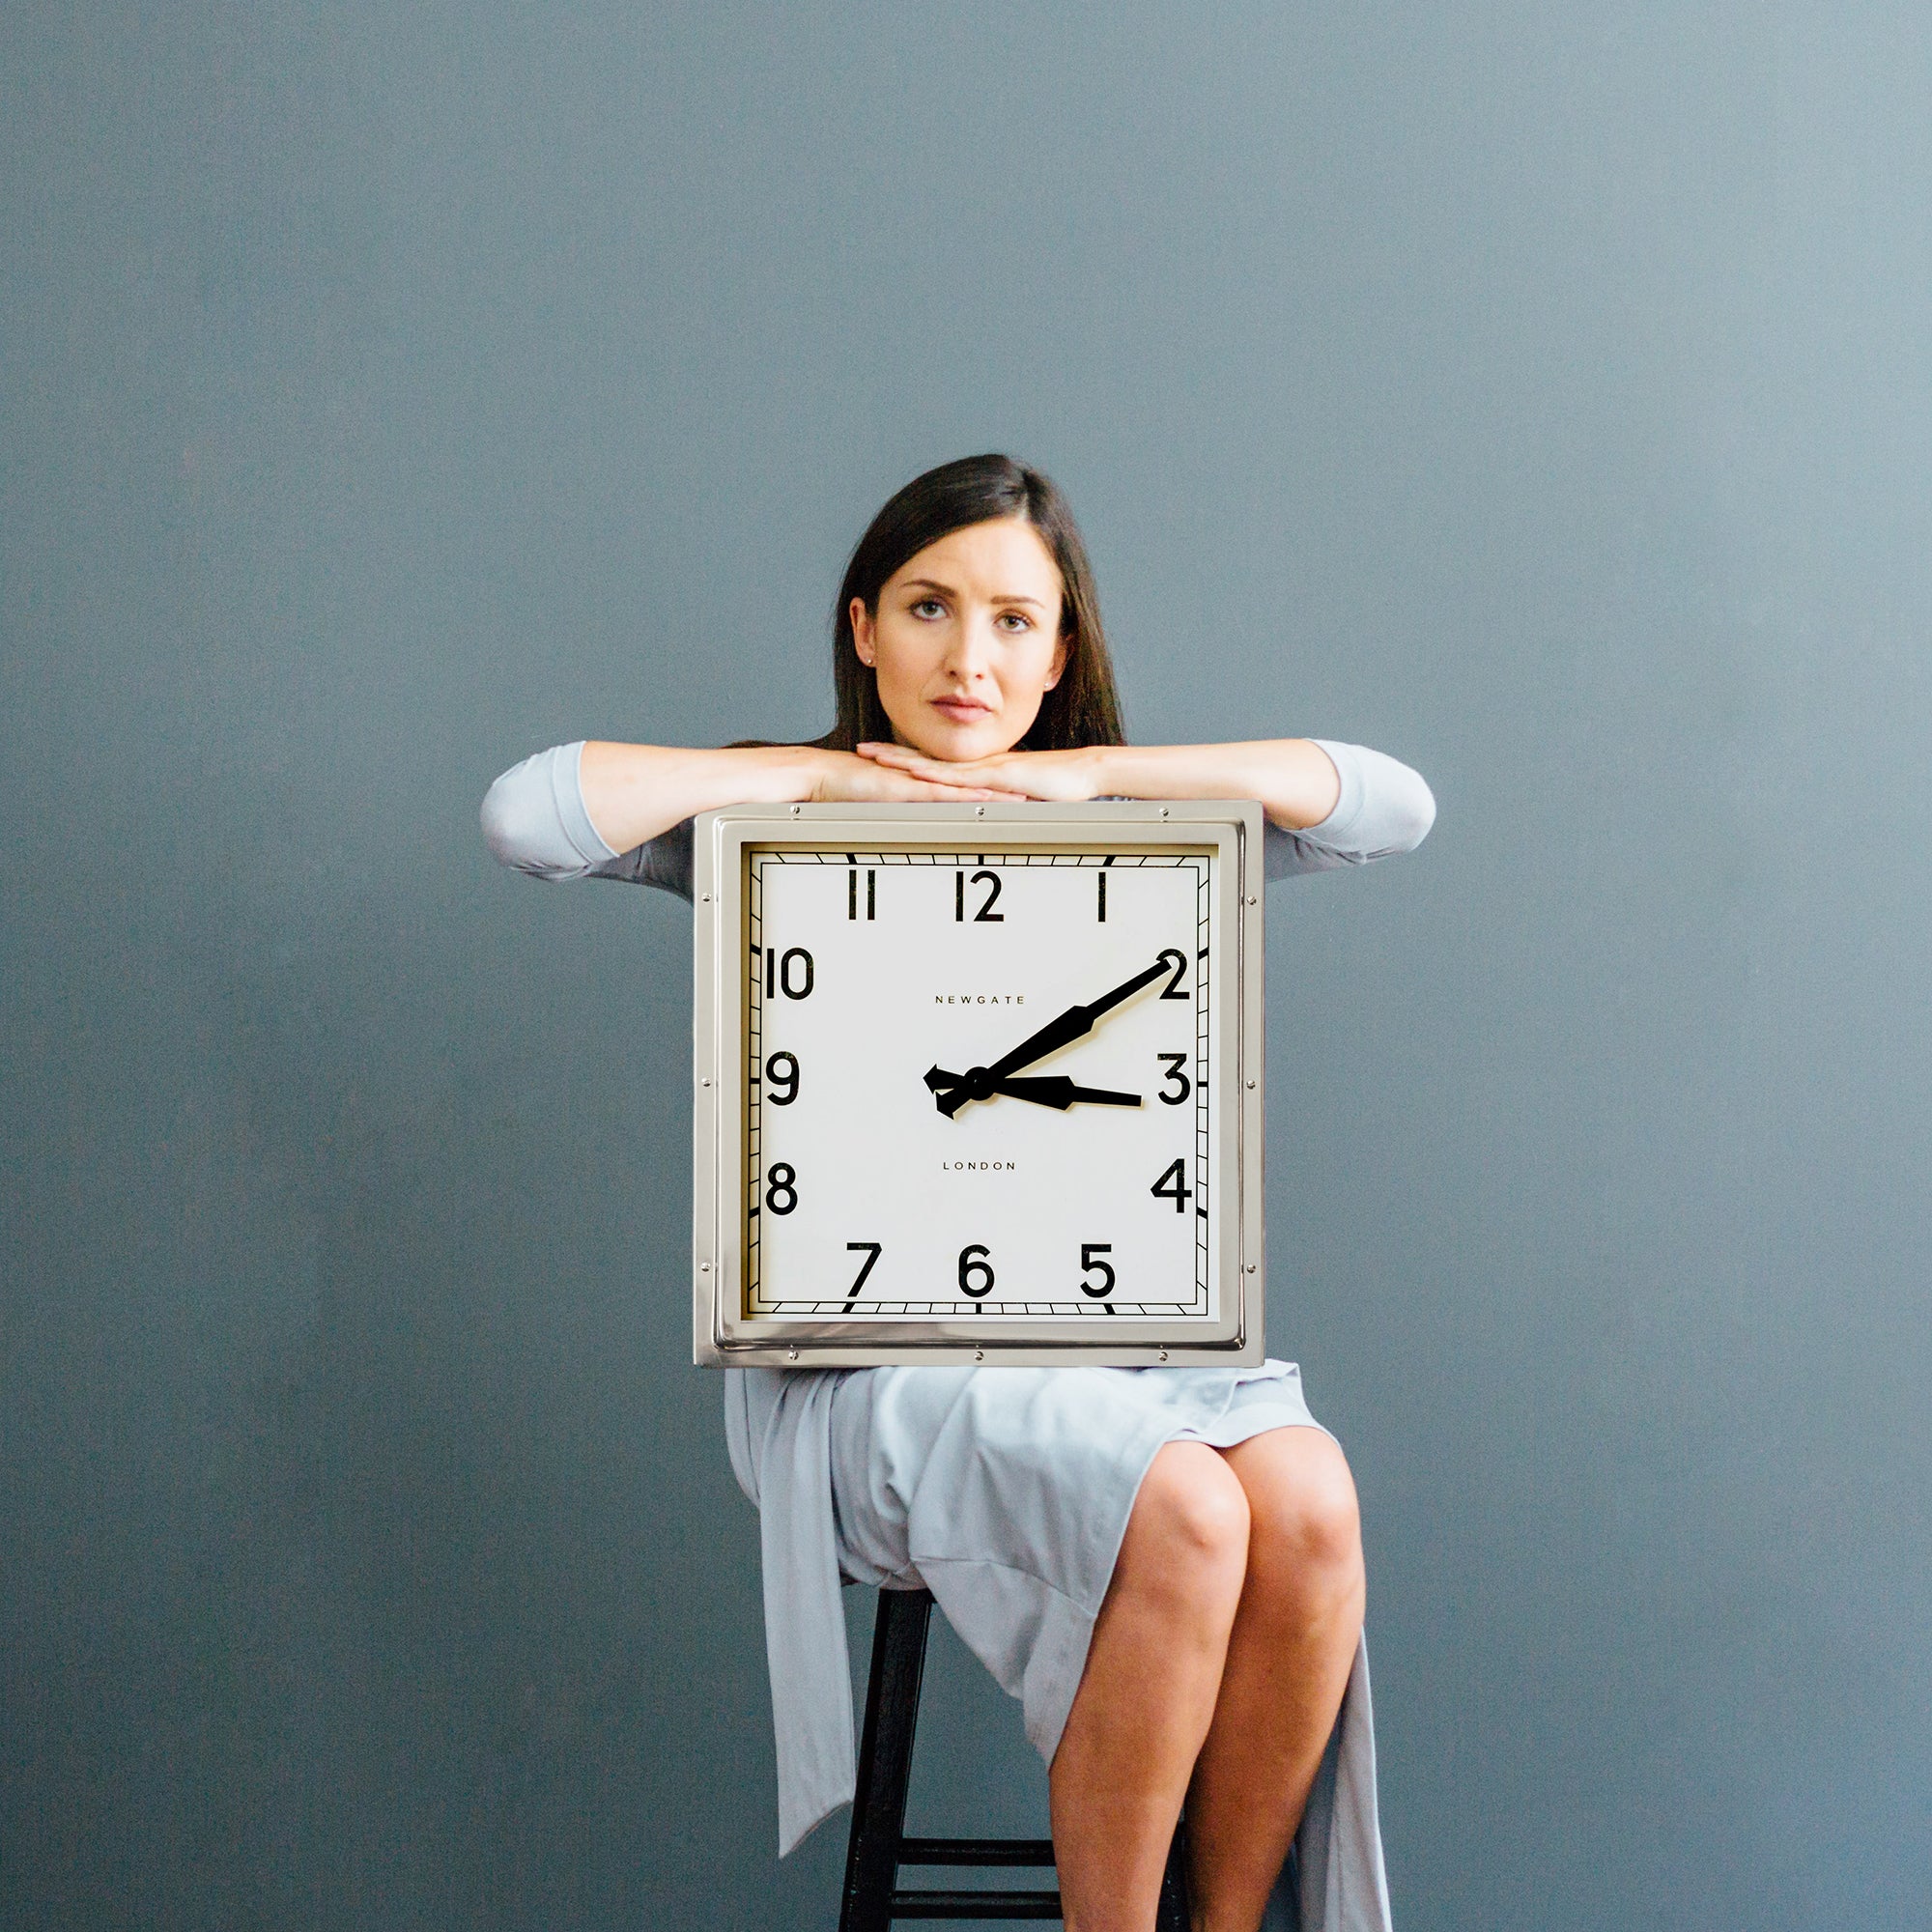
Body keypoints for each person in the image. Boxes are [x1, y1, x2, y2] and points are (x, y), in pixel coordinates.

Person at [480, 454, 1434, 1932]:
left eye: (1011, 622)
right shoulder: (776, 831)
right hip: (873, 1379)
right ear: (864, 629)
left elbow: (1391, 803)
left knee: (1306, 1497)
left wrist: (1098, 777)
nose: (967, 658)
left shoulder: (1137, 836)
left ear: (1061, 657)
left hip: (1124, 1352)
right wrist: (812, 774)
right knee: (1183, 1507)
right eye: (928, 609)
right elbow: (527, 816)